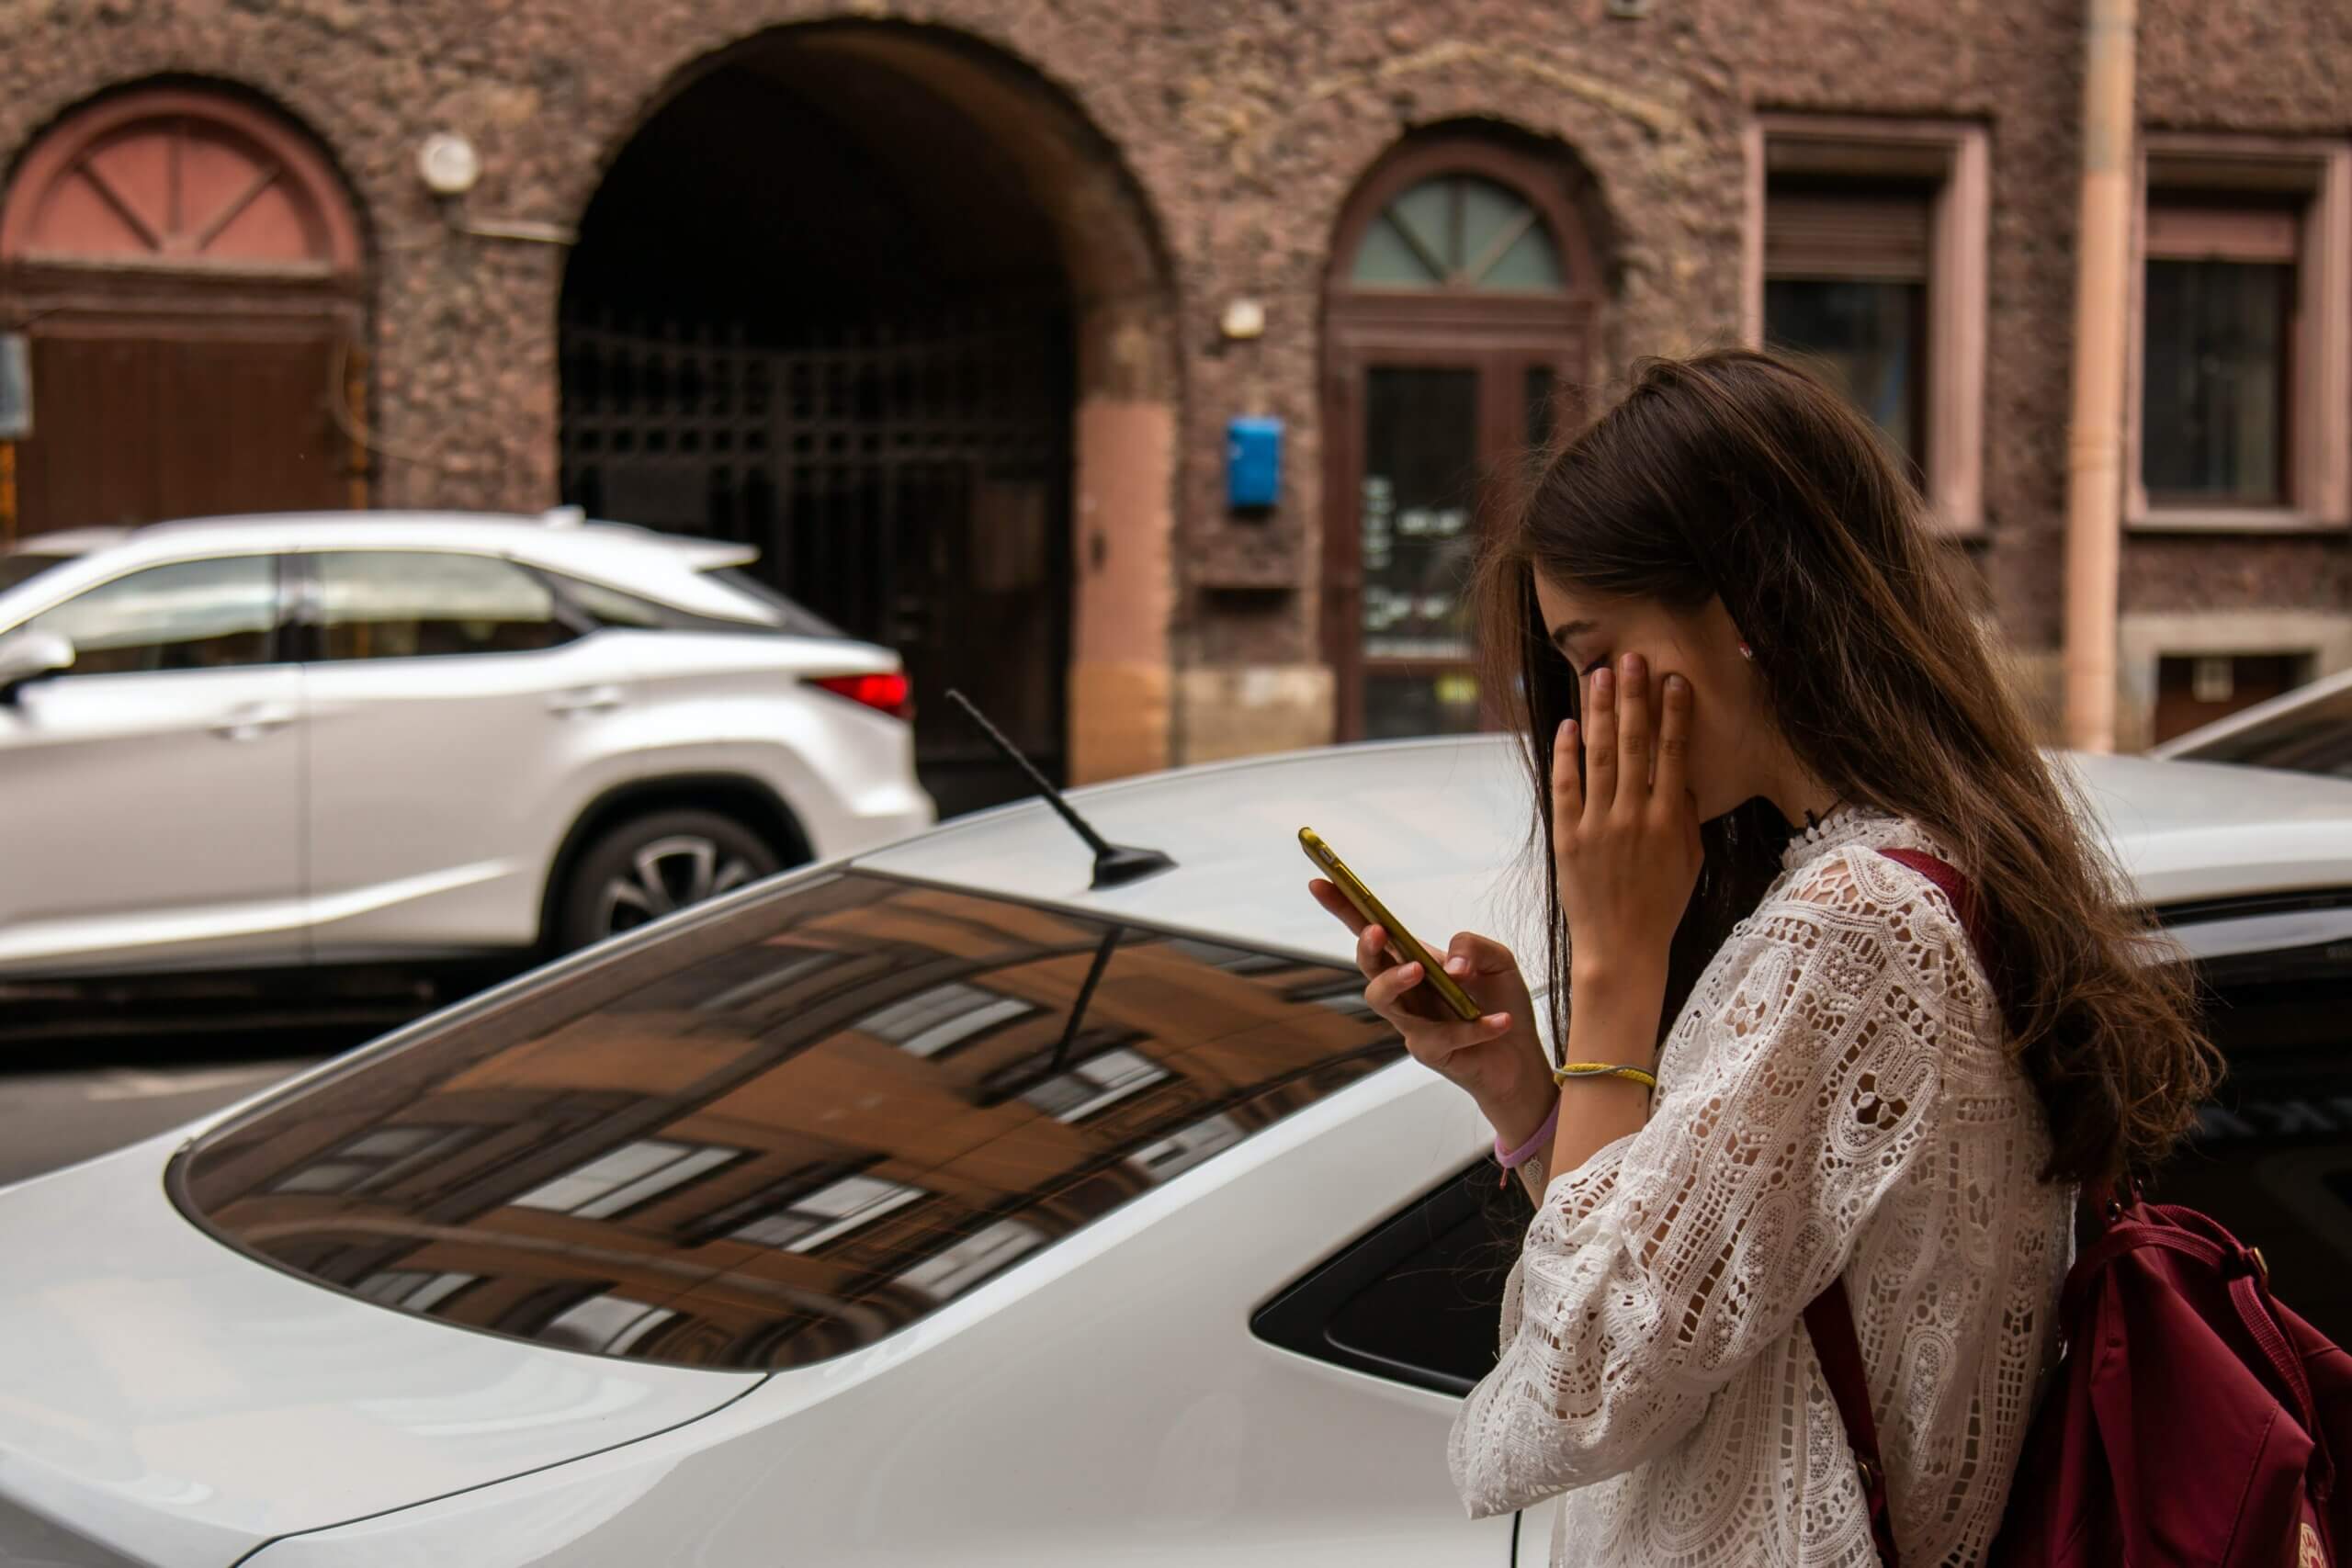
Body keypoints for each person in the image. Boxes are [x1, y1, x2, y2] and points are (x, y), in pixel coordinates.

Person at [1307, 350, 2219, 1567]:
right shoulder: (1894, 882)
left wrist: (1620, 977)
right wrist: (1526, 1092)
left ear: (1743, 610)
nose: (1583, 716)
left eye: (1594, 652)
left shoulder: (1857, 927)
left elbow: (1580, 1386)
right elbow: (1689, 1295)